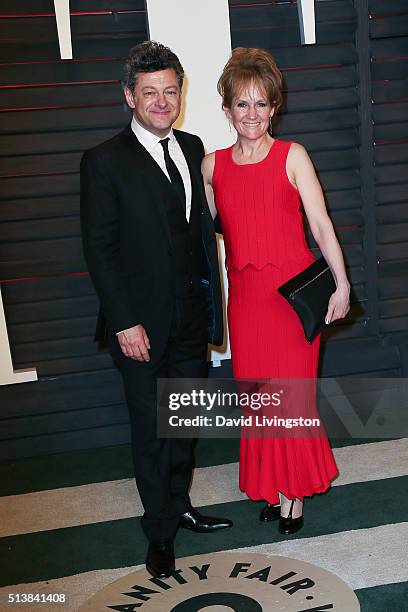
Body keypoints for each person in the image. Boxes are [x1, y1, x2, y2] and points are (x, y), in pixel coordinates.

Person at [80, 40, 232, 579]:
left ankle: (180, 504)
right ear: (130, 96)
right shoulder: (103, 161)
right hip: (139, 325)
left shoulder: (192, 148)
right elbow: (99, 248)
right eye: (151, 92)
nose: (162, 101)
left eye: (171, 91)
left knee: (184, 419)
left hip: (191, 316)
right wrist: (123, 321)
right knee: (151, 430)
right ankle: (159, 531)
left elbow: (203, 226)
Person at [202, 47, 350, 535]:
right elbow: (199, 237)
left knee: (292, 399)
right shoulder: (211, 167)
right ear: (226, 109)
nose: (252, 114)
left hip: (292, 302)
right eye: (242, 104)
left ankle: (293, 495)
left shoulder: (294, 156)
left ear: (274, 108)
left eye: (262, 104)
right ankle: (273, 484)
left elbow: (322, 225)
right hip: (246, 303)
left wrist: (342, 284)